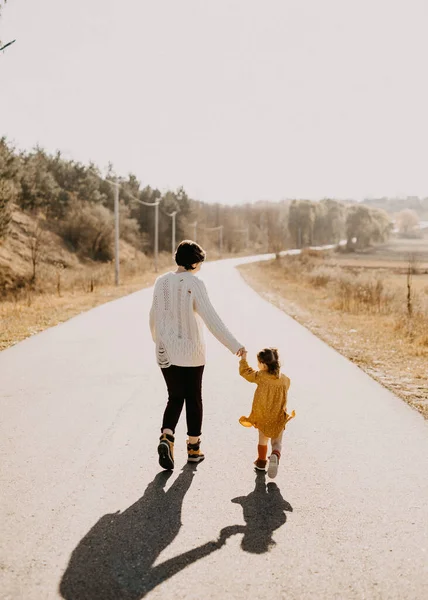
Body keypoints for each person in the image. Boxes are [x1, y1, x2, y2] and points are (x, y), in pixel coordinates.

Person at [150, 240, 245, 470]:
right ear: (194, 262)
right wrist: (235, 345)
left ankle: (166, 436)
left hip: (165, 351)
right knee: (193, 398)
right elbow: (211, 318)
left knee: (174, 397)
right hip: (191, 351)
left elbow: (153, 317)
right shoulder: (195, 283)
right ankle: (194, 450)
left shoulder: (161, 282)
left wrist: (159, 341)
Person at [238, 348, 295, 479]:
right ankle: (275, 454)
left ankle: (261, 462)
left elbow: (246, 373)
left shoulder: (261, 376)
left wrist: (243, 359)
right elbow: (286, 389)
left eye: (258, 362)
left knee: (262, 440)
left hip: (263, 415)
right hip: (278, 416)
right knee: (277, 442)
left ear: (263, 364)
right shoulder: (285, 379)